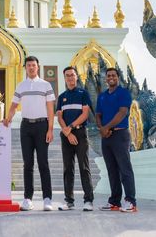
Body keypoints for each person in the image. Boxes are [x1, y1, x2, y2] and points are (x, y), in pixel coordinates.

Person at [3, 55, 55, 211]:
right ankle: (28, 198)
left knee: (43, 163)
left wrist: (50, 129)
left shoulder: (46, 85)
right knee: (28, 164)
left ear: (38, 67)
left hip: (42, 126)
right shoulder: (21, 86)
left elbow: (50, 108)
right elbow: (13, 106)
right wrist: (8, 118)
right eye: (28, 65)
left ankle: (47, 198)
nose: (31, 67)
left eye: (33, 65)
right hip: (26, 127)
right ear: (25, 68)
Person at [95, 67, 137, 213]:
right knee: (112, 170)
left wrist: (106, 127)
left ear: (117, 77)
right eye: (108, 76)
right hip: (106, 137)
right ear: (106, 79)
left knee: (125, 169)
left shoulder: (123, 93)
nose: (111, 77)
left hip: (120, 135)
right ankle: (114, 202)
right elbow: (98, 114)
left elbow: (122, 112)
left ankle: (130, 201)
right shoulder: (102, 96)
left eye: (113, 75)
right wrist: (102, 128)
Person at [56, 66, 94, 211]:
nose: (70, 78)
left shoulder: (83, 93)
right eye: (67, 76)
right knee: (68, 168)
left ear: (76, 77)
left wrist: (70, 128)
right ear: (64, 78)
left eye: (72, 75)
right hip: (66, 135)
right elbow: (59, 116)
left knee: (84, 167)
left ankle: (88, 200)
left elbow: (85, 114)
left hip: (80, 133)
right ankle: (69, 201)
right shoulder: (62, 97)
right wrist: (67, 133)